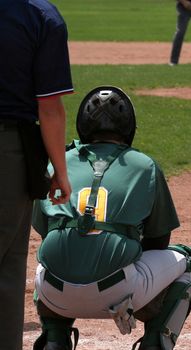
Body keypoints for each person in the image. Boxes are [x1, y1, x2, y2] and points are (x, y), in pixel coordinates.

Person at [31, 86, 191, 350]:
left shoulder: (58, 162)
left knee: (46, 261)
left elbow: (45, 230)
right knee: (187, 260)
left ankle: (54, 340)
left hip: (55, 294)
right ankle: (156, 343)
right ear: (129, 127)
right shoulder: (144, 165)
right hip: (121, 291)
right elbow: (159, 240)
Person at [0, 0, 73, 348]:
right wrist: (60, 171)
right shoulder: (41, 17)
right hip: (8, 151)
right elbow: (49, 107)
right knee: (9, 267)